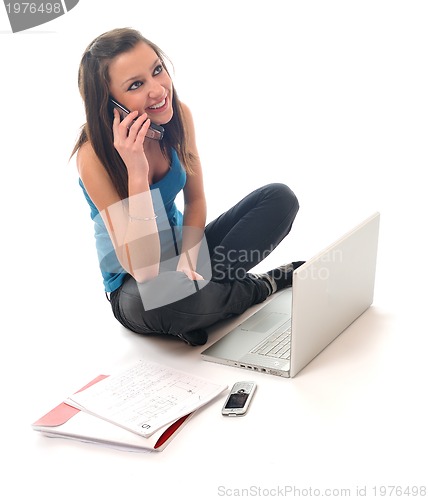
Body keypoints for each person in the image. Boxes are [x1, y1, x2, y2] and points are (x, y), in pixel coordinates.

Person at [71, 27, 303, 347]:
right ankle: (261, 287)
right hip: (133, 285)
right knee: (167, 300)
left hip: (183, 256)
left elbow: (195, 201)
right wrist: (136, 172)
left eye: (157, 70)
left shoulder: (178, 116)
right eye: (136, 85)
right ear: (110, 103)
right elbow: (145, 270)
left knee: (279, 198)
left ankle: (201, 305)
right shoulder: (93, 157)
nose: (158, 90)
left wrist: (191, 255)